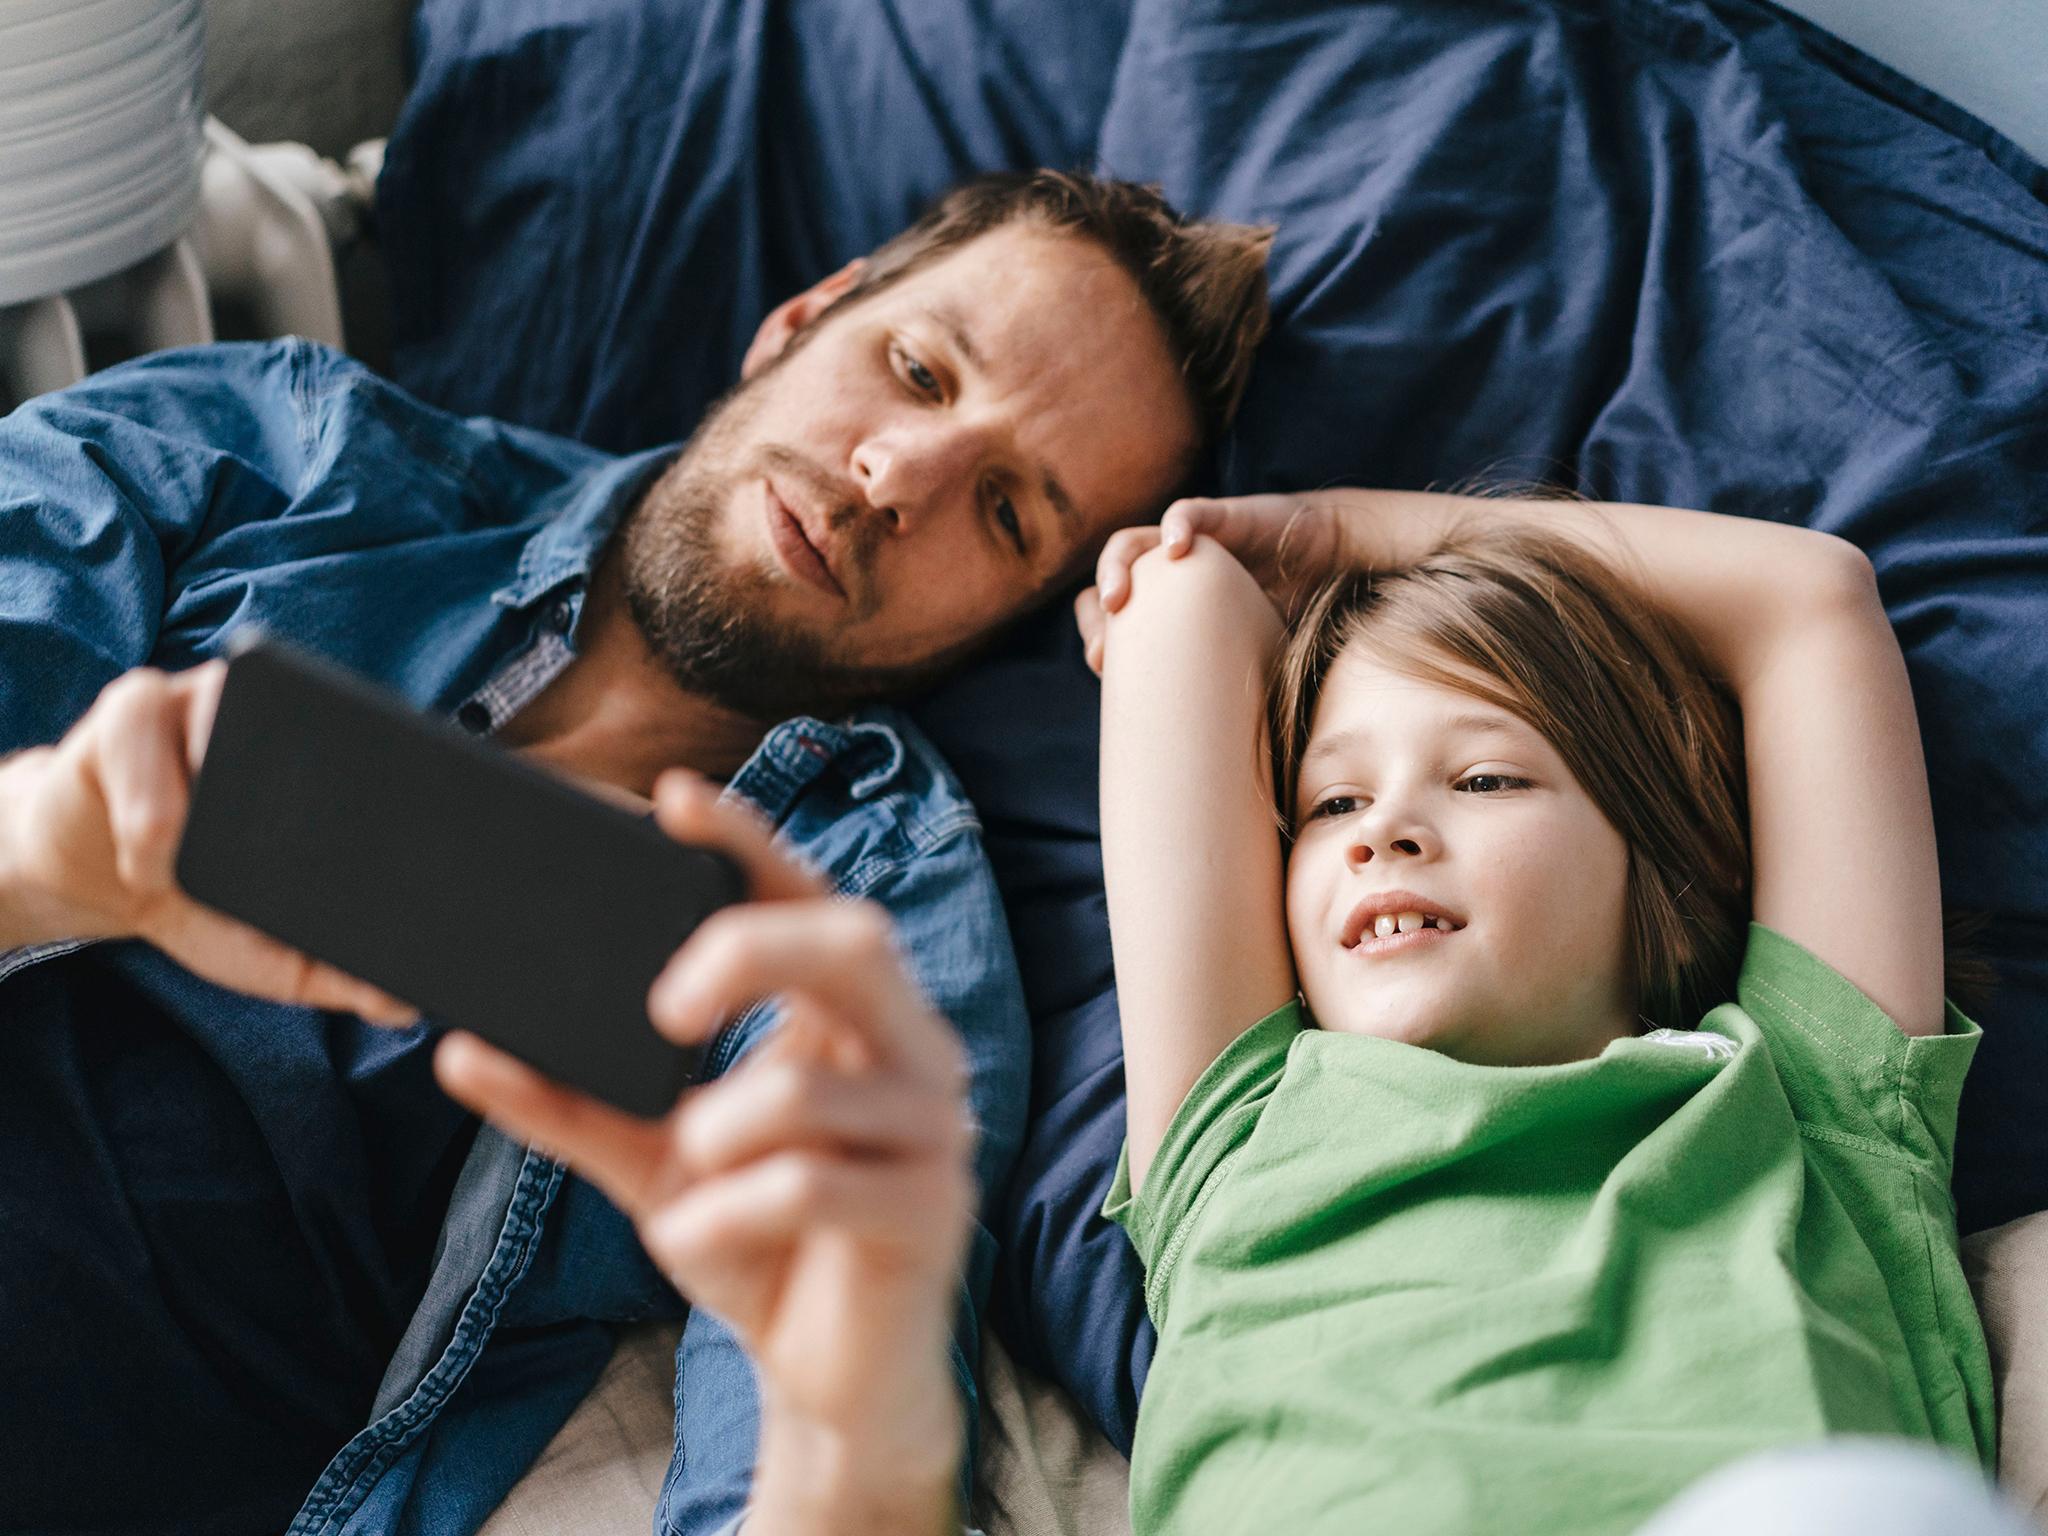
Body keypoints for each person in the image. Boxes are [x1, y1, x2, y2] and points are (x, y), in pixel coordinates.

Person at [0, 170, 1272, 1535]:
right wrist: (50, 852)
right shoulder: (274, 445)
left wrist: (856, 1425)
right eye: (916, 369)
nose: (898, 478)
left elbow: (795, 1445)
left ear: (1018, 615)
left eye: (1009, 512)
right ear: (801, 318)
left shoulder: (868, 920)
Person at [475, 483, 2031, 1534]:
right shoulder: (1245, 1131)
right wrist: (1234, 571)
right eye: (1330, 801)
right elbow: (1183, 607)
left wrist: (1347, 527)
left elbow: (1808, 602)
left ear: (1660, 864)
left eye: (1487, 778)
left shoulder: (1811, 1101)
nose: (1382, 831)